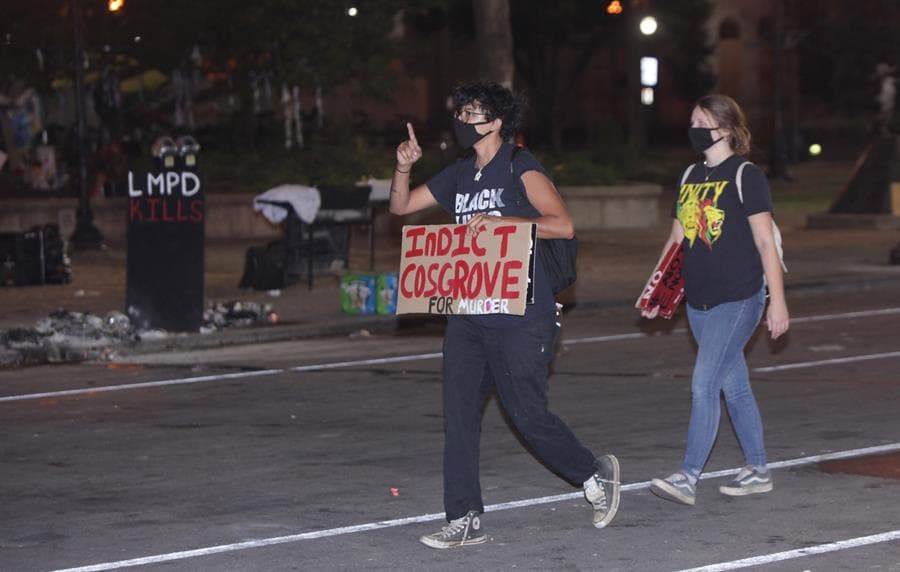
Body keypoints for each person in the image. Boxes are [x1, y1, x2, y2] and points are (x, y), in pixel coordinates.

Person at [390, 81, 620, 549]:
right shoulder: (459, 174)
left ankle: (592, 472)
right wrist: (403, 167)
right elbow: (401, 206)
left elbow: (563, 225)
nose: (461, 120)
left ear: (496, 122)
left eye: (471, 113)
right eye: (459, 112)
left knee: (527, 415)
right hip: (468, 316)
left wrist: (504, 223)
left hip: (522, 315)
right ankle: (464, 517)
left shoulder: (520, 165)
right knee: (459, 417)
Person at [642, 94, 789, 506]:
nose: (693, 129)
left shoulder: (746, 175)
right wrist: (657, 291)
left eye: (701, 122)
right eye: (691, 121)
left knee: (703, 384)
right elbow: (677, 239)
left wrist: (777, 301)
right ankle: (758, 469)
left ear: (724, 129)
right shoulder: (689, 175)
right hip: (698, 302)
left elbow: (765, 242)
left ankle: (688, 476)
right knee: (733, 385)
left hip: (739, 298)